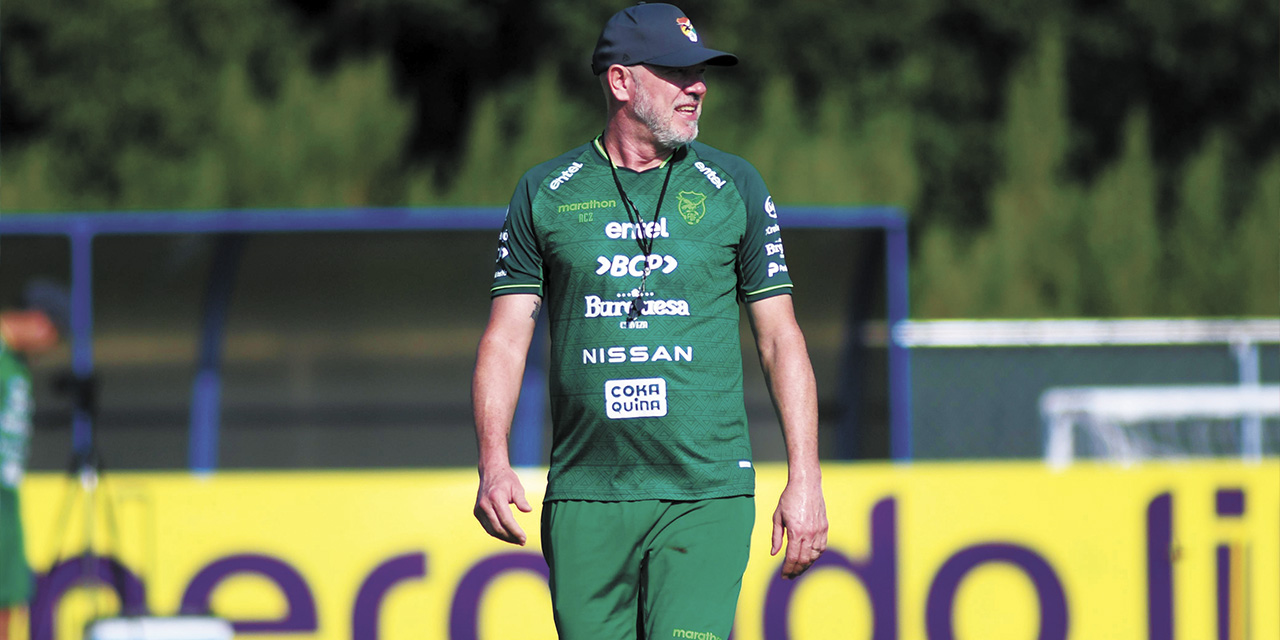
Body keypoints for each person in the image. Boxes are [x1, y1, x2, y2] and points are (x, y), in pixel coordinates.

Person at [472, 3, 827, 637]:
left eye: (702, 73)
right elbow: (505, 340)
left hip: (706, 492)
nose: (698, 87)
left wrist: (806, 478)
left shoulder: (735, 186)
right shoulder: (546, 191)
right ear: (620, 82)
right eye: (677, 71)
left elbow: (781, 338)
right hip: (586, 493)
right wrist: (493, 461)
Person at [0, 280, 69, 640]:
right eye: (55, 335)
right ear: (41, 322)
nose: (50, 347)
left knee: (8, 597)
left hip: (6, 498)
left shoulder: (15, 362)